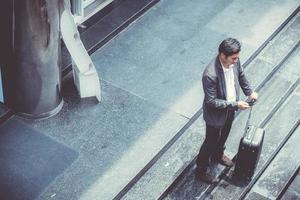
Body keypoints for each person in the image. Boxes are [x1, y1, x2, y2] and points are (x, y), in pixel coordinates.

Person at [195, 38, 258, 183]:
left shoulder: (235, 61)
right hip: (216, 115)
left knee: (224, 135)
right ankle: (201, 170)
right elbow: (211, 102)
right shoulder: (210, 74)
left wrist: (249, 92)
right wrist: (235, 104)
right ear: (222, 55)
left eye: (237, 58)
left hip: (230, 109)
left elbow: (241, 75)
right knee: (210, 142)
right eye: (233, 58)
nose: (236, 61)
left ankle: (218, 155)